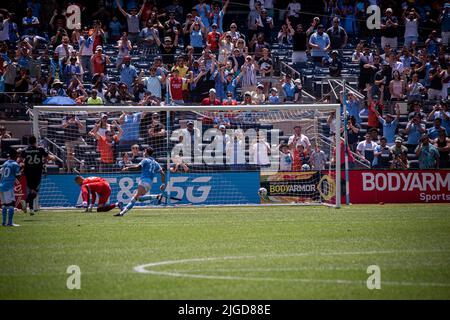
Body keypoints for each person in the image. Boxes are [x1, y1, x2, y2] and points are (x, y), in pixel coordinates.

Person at [115, 147, 166, 217]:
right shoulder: (156, 163)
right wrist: (163, 183)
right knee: (140, 198)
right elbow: (162, 173)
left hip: (144, 181)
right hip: (150, 183)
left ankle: (122, 213)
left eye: (144, 151)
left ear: (147, 153)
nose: (143, 153)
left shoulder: (145, 160)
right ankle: (157, 196)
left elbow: (137, 167)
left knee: (136, 197)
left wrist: (127, 168)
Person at [19, 136, 54, 215]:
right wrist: (54, 157)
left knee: (31, 190)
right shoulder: (40, 149)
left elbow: (19, 160)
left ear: (29, 142)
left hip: (28, 173)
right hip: (37, 173)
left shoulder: (25, 150)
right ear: (35, 141)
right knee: (35, 192)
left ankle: (31, 209)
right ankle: (25, 201)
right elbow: (48, 157)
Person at [0, 149, 21, 227]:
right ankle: (10, 223)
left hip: (1, 186)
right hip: (8, 187)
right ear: (15, 156)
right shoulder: (15, 164)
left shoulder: (5, 163)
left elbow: (1, 172)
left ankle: (3, 222)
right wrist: (21, 167)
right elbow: (18, 175)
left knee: (4, 205)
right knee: (11, 205)